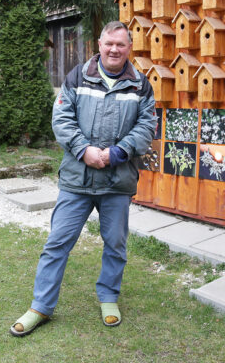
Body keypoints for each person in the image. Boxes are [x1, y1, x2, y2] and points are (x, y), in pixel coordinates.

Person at [10, 21, 156, 337]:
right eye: (109, 43)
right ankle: (41, 306)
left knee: (115, 243)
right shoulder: (78, 76)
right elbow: (61, 118)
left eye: (121, 44)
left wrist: (116, 154)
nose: (114, 49)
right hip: (77, 179)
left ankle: (108, 297)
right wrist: (83, 150)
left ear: (129, 48)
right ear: (99, 45)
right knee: (57, 243)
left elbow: (146, 129)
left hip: (117, 181)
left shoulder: (140, 85)